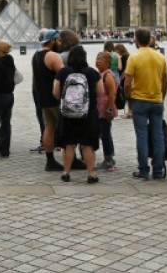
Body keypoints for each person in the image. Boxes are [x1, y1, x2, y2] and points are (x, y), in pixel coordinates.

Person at [53, 45, 102, 183]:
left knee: (69, 144)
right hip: (88, 114)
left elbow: (56, 92)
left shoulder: (62, 72)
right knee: (87, 145)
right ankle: (91, 174)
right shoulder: (92, 73)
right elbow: (101, 92)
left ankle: (66, 172)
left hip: (67, 114)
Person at [125, 28, 167, 180]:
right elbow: (165, 81)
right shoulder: (160, 57)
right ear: (150, 39)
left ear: (136, 40)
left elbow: (128, 82)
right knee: (158, 136)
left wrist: (128, 97)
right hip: (157, 100)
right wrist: (162, 96)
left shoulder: (134, 58)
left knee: (141, 136)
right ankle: (158, 171)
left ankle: (143, 170)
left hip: (139, 101)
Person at [31, 29, 65, 170]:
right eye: (58, 40)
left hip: (43, 98)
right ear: (52, 40)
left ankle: (50, 160)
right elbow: (64, 76)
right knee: (66, 128)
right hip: (56, 99)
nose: (60, 43)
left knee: (49, 128)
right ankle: (72, 159)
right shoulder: (53, 56)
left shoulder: (36, 55)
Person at [95, 51, 118, 170]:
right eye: (97, 58)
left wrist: (109, 109)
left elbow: (112, 93)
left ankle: (108, 159)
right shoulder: (101, 73)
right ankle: (110, 158)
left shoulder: (107, 75)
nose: (98, 61)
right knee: (105, 134)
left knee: (105, 134)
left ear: (108, 62)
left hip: (105, 110)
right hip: (101, 110)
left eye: (101, 59)